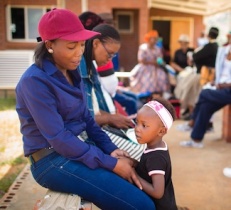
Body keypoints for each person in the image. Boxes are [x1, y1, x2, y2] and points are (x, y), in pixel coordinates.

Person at [15, 9, 155, 210]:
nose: (79, 52)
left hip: (78, 148)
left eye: (81, 44)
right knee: (141, 205)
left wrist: (111, 150)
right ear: (49, 45)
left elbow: (87, 120)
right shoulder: (35, 82)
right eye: (72, 46)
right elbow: (59, 138)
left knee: (143, 177)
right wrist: (111, 163)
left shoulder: (72, 71)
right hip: (52, 161)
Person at [79, 13, 146, 160]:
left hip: (97, 130)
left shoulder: (90, 66)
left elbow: (93, 110)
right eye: (109, 54)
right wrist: (110, 118)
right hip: (86, 136)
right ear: (95, 43)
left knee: (148, 151)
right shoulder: (79, 67)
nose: (110, 60)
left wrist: (113, 118)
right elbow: (83, 119)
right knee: (143, 156)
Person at [179, 40, 231, 148]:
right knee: (205, 107)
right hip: (221, 88)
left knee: (204, 93)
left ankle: (192, 122)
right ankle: (196, 140)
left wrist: (223, 85)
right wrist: (216, 82)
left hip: (227, 90)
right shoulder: (224, 51)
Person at [134, 98, 177, 210]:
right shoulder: (158, 147)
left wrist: (134, 176)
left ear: (161, 131)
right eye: (136, 122)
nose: (137, 129)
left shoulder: (155, 157)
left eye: (144, 125)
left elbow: (157, 192)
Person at [129, 30, 170, 96]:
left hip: (156, 68)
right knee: (147, 80)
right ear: (148, 39)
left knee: (162, 77)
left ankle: (158, 97)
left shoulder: (157, 48)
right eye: (153, 38)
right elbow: (141, 60)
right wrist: (153, 62)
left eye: (156, 39)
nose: (155, 40)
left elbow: (160, 59)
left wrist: (159, 61)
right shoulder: (143, 48)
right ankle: (145, 97)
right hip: (145, 68)